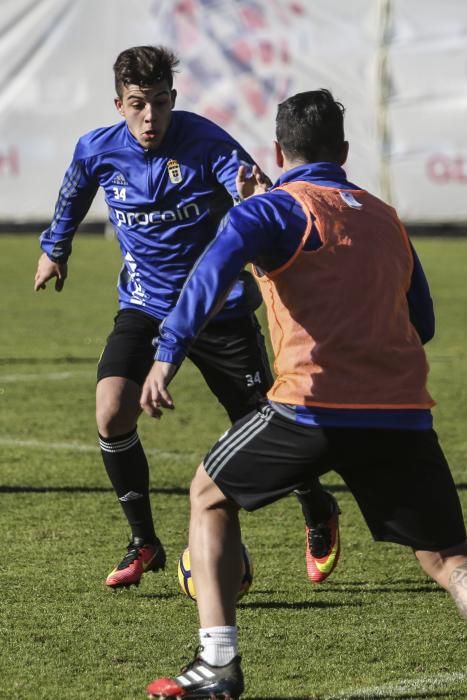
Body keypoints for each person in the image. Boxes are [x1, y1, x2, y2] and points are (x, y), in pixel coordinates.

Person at [140, 89, 467, 699]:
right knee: (447, 558)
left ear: (276, 149)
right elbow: (422, 322)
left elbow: (209, 275)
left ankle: (217, 663)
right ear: (343, 152)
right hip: (402, 412)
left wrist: (167, 353)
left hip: (312, 405)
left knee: (209, 494)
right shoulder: (384, 216)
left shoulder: (267, 211)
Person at [33, 46, 338, 590]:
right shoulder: (97, 150)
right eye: (136, 105)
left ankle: (317, 507)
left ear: (173, 99)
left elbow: (252, 188)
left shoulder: (207, 142)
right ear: (119, 104)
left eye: (158, 104)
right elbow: (74, 193)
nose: (149, 118)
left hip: (216, 309)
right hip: (145, 305)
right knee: (110, 411)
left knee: (266, 424)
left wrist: (253, 194)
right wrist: (55, 248)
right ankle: (143, 542)